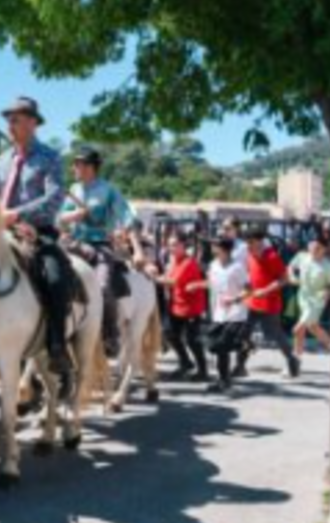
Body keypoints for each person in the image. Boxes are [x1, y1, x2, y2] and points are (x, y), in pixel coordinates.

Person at [0, 96, 72, 378]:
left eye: (16, 119)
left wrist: (17, 214)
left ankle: (57, 344)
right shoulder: (1, 160)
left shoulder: (50, 157)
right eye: (9, 119)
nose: (10, 124)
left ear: (33, 123)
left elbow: (54, 198)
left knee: (54, 274)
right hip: (1, 231)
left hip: (39, 232)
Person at [59, 146, 140, 356]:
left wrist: (131, 239)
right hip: (74, 244)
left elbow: (126, 216)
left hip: (100, 245)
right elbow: (59, 218)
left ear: (92, 167)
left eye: (80, 163)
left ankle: (110, 333)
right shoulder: (73, 190)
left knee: (103, 287)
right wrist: (76, 214)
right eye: (75, 163)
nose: (75, 167)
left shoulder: (109, 190)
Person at [236, 228, 300, 378]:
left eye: (251, 242)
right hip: (251, 302)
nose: (248, 246)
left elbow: (284, 279)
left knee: (275, 335)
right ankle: (240, 366)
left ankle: (292, 360)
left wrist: (264, 291)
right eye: (247, 243)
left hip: (269, 305)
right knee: (243, 334)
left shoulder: (272, 256)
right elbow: (250, 276)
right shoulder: (250, 255)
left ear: (259, 242)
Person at [152, 233, 209, 381]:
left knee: (192, 340)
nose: (172, 248)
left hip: (191, 308)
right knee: (169, 334)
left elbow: (171, 281)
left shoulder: (188, 262)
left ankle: (203, 371)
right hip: (176, 305)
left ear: (184, 246)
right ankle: (185, 362)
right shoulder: (174, 261)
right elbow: (167, 275)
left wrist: (152, 278)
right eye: (170, 245)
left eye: (175, 244)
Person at [198, 238, 250, 392]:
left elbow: (249, 289)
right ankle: (243, 345)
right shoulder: (213, 265)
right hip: (218, 313)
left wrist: (235, 299)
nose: (213, 248)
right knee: (216, 347)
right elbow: (211, 283)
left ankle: (224, 380)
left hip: (235, 314)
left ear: (225, 249)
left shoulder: (237, 267)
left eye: (215, 246)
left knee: (221, 347)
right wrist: (197, 285)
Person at [288, 236, 330, 355]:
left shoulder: (329, 267)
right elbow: (290, 267)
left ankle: (295, 360)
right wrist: (292, 277)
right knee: (313, 327)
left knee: (297, 329)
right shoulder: (302, 257)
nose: (313, 249)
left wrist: (328, 292)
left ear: (324, 249)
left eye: (317, 247)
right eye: (311, 246)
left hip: (317, 301)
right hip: (303, 298)